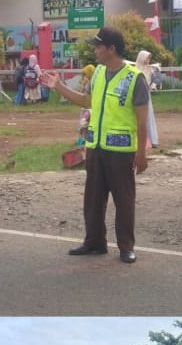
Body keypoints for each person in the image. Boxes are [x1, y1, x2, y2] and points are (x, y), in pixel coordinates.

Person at [41, 26, 149, 266]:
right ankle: (95, 242)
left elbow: (143, 118)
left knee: (124, 200)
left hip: (121, 151)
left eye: (99, 46)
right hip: (96, 148)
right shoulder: (98, 73)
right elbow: (86, 100)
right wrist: (58, 86)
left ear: (111, 49)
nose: (95, 50)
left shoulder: (134, 78)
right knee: (93, 199)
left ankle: (126, 246)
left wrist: (141, 153)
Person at [134, 50, 159, 149]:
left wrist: (153, 84)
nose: (147, 61)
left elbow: (157, 78)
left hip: (147, 95)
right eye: (146, 58)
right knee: (140, 118)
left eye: (148, 59)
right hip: (138, 96)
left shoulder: (149, 69)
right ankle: (141, 141)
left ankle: (153, 140)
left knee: (149, 117)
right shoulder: (136, 70)